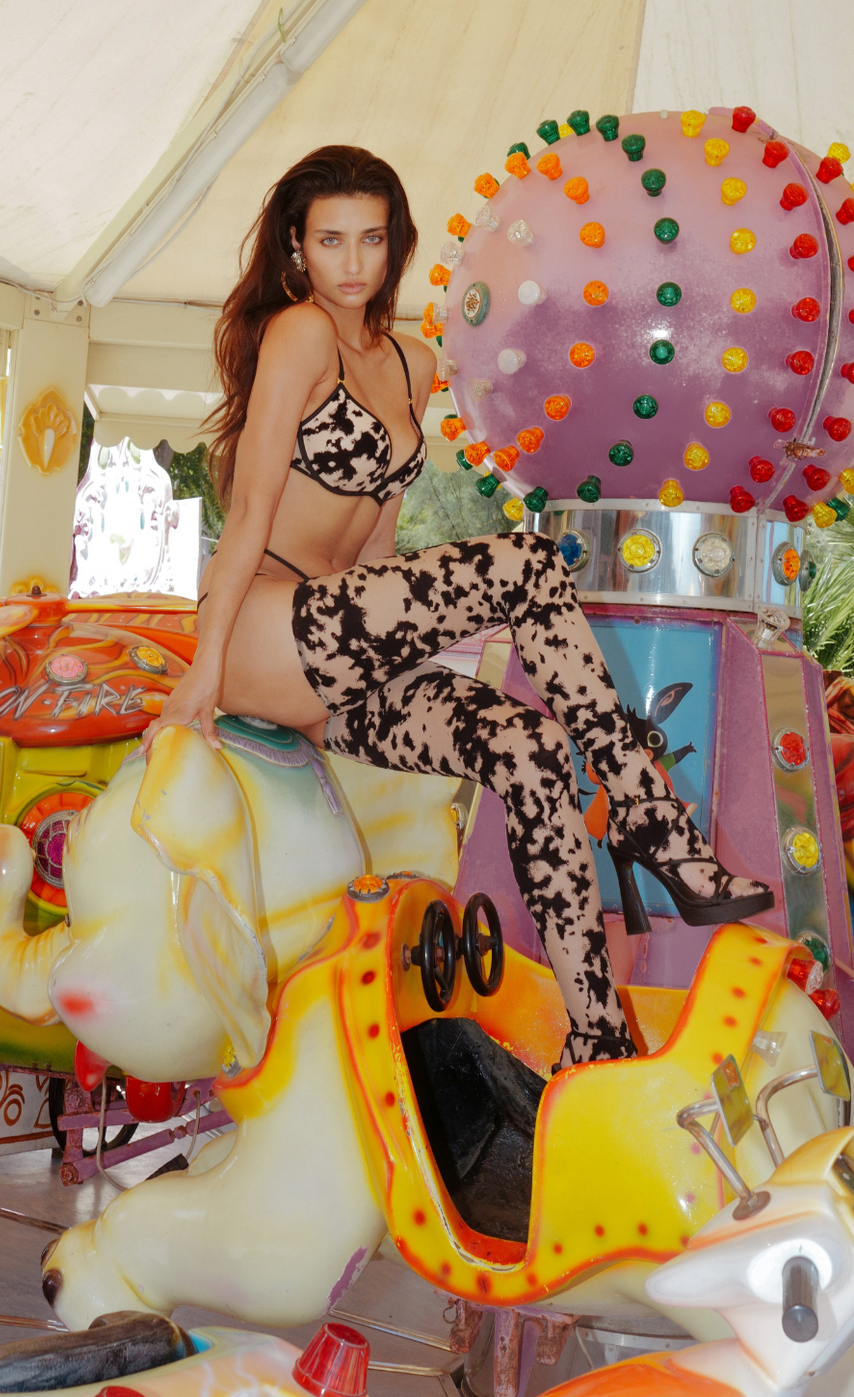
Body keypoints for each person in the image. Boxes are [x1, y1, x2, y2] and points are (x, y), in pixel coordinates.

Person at [146, 144, 770, 1061]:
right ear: (297, 247)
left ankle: (594, 1036)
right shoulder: (300, 333)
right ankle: (649, 814)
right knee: (525, 562)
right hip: (260, 630)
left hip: (335, 647)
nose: (351, 262)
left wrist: (407, 649)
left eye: (370, 239)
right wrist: (203, 671)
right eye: (329, 240)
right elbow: (248, 513)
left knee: (529, 750)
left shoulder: (413, 363)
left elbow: (374, 546)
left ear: (395, 244)